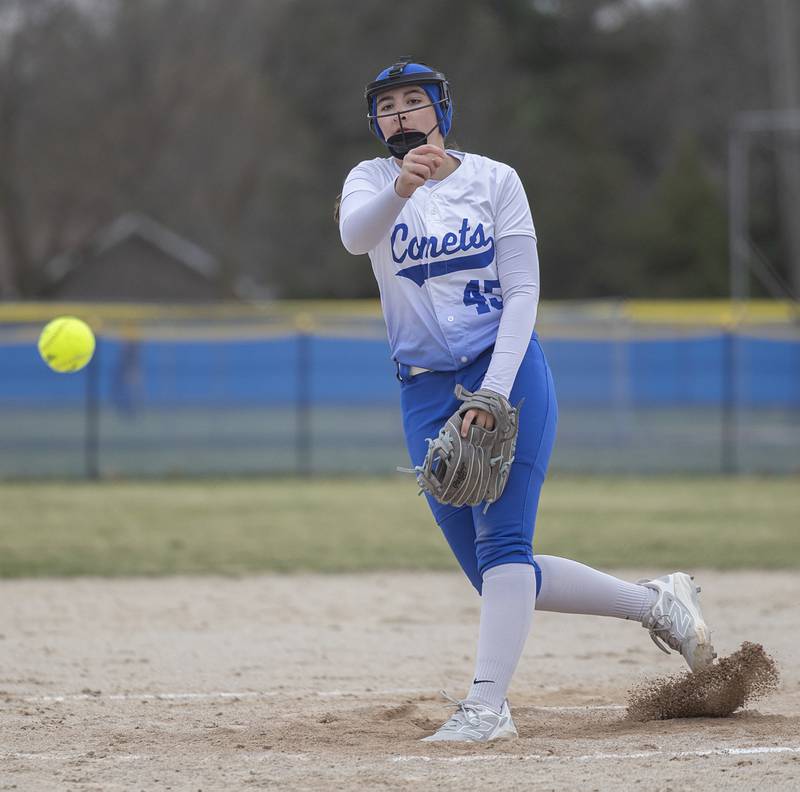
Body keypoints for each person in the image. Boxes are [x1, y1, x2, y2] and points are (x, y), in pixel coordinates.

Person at [337, 58, 715, 743]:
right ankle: (658, 605)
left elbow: (522, 293)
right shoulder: (369, 182)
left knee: (506, 543)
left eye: (413, 100)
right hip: (423, 388)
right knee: (492, 573)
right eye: (386, 106)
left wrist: (493, 390)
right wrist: (401, 187)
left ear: (441, 111)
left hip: (504, 368)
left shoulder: (495, 180)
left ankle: (487, 708)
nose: (399, 114)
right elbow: (356, 236)